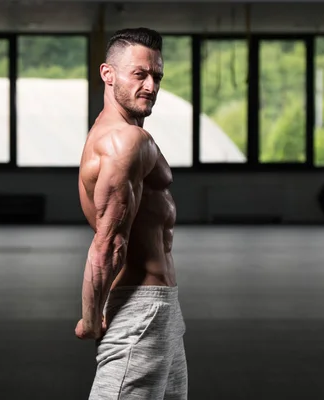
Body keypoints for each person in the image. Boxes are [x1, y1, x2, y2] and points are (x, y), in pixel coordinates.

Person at [75, 27, 188, 399]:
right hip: (139, 311)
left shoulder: (127, 134)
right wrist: (91, 319)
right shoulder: (124, 141)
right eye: (139, 74)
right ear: (108, 74)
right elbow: (108, 243)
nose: (151, 86)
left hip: (161, 311)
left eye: (157, 76)